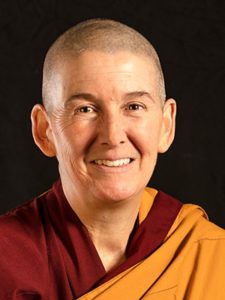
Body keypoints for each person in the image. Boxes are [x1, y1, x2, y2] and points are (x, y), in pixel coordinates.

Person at [0, 19, 225, 300]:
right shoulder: (6, 261)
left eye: (134, 106)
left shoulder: (208, 253)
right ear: (44, 130)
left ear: (166, 125)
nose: (113, 135)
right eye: (85, 109)